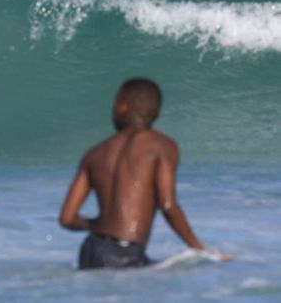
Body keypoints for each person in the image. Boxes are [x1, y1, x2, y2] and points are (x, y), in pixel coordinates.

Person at [58, 78, 231, 269]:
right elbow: (168, 205)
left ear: (123, 107)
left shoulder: (95, 153)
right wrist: (200, 249)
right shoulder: (161, 146)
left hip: (91, 249)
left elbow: (67, 219)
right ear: (156, 112)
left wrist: (98, 224)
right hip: (125, 253)